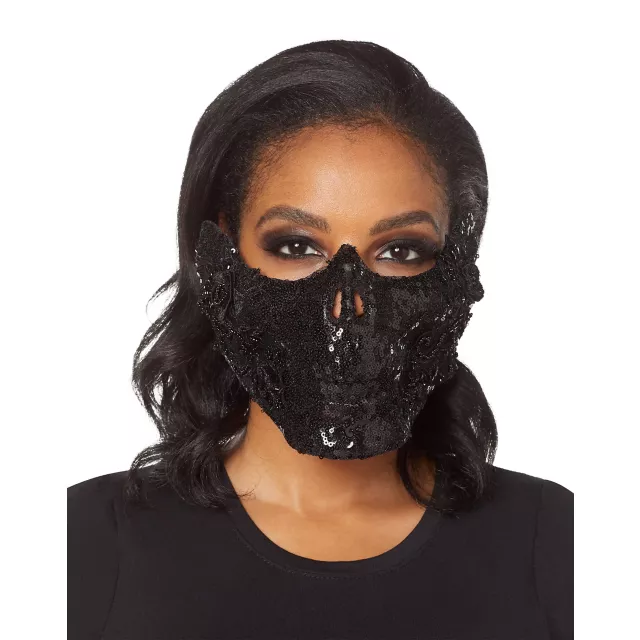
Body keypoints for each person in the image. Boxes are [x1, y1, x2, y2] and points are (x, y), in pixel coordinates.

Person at [68, 39, 573, 640]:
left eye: (400, 251)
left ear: (455, 269)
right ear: (221, 256)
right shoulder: (82, 544)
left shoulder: (560, 543)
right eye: (297, 246)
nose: (345, 309)